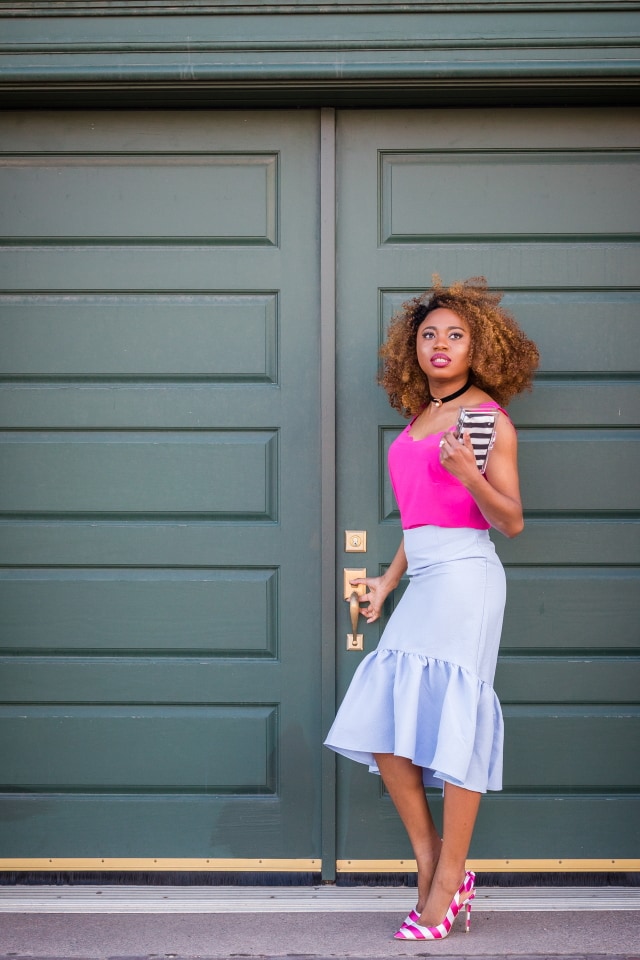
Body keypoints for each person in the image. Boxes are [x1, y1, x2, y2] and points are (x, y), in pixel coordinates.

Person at [324, 276, 539, 941]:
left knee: (456, 727)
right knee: (388, 728)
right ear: (411, 350)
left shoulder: (486, 419)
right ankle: (430, 859)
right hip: (424, 578)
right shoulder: (418, 419)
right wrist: (387, 584)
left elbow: (511, 523)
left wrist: (471, 475)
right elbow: (419, 526)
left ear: (478, 347)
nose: (440, 345)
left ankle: (448, 881)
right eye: (429, 335)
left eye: (455, 335)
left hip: (468, 581)